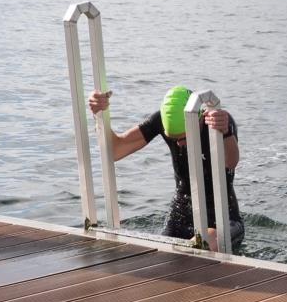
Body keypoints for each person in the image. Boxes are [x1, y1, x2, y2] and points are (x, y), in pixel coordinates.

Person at [88, 85, 245, 250]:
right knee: (161, 253)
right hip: (181, 215)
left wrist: (225, 133)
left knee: (204, 244)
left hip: (223, 219)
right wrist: (99, 114)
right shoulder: (160, 120)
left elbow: (230, 162)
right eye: (174, 138)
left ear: (199, 120)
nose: (180, 144)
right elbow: (116, 151)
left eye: (184, 137)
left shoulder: (217, 122)